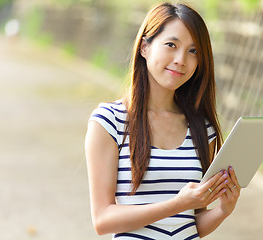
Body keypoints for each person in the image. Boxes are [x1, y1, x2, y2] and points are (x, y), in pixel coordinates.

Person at [85, 2, 241, 239]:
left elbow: (191, 223)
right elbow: (103, 220)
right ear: (145, 47)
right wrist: (176, 204)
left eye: (193, 51)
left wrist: (222, 211)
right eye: (171, 45)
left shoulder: (202, 128)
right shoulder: (109, 122)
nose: (181, 59)